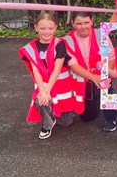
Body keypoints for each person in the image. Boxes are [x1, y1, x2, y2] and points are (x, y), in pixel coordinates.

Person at [19, 11, 77, 139]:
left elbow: (57, 69)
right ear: (35, 28)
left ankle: (54, 113)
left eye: (50, 28)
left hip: (60, 86)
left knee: (66, 123)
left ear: (56, 27)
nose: (47, 32)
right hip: (44, 85)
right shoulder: (32, 47)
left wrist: (47, 89)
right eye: (42, 28)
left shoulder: (59, 43)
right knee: (41, 100)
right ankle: (47, 122)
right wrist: (43, 91)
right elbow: (36, 71)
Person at [63, 11, 117, 132]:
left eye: (86, 22)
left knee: (106, 87)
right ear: (72, 23)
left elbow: (112, 57)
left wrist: (106, 76)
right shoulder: (68, 40)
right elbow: (73, 65)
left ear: (92, 21)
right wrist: (93, 78)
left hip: (101, 75)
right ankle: (95, 99)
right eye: (79, 23)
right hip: (83, 79)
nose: (83, 26)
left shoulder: (101, 34)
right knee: (88, 117)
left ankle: (110, 117)